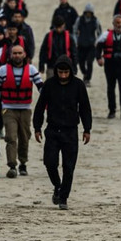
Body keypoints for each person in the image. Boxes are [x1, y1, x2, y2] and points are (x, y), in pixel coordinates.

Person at [33, 56, 92, 210]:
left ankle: (63, 197)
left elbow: (85, 108)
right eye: (61, 72)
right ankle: (58, 186)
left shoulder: (78, 85)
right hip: (52, 130)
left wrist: (87, 129)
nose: (63, 75)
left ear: (70, 72)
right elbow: (40, 107)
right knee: (49, 162)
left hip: (71, 131)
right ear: (56, 71)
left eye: (66, 72)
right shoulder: (49, 85)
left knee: (69, 166)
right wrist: (37, 127)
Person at [0, 45, 44, 178]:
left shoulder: (32, 70)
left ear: (24, 54)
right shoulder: (3, 70)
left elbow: (41, 88)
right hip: (8, 109)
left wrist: (48, 102)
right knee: (11, 137)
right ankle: (12, 166)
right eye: (14, 53)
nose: (17, 55)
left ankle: (23, 163)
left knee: (24, 137)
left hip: (25, 109)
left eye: (19, 53)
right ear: (10, 55)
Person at [96, 15, 121, 120]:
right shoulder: (106, 35)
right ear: (113, 24)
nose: (119, 25)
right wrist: (98, 58)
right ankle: (112, 111)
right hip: (110, 65)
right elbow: (98, 47)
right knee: (111, 88)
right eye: (117, 23)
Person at [73, 4, 102, 86]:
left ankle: (87, 79)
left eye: (90, 12)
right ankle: (85, 73)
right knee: (81, 62)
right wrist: (76, 40)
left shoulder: (95, 21)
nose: (88, 14)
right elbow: (74, 30)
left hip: (91, 45)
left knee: (89, 62)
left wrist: (97, 42)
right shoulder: (79, 19)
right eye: (87, 12)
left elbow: (99, 32)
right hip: (81, 44)